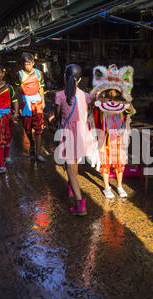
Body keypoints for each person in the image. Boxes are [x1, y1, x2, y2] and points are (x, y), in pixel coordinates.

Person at [50, 64, 94, 216]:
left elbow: (58, 115)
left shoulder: (59, 96)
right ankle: (71, 188)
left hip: (67, 136)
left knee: (72, 171)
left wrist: (54, 119)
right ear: (80, 79)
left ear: (64, 76)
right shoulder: (85, 96)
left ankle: (80, 205)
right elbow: (87, 111)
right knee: (73, 165)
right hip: (81, 135)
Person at [90, 64, 136, 199]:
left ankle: (120, 186)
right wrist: (98, 101)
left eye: (115, 90)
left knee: (119, 163)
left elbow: (130, 112)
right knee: (105, 162)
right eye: (110, 89)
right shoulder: (100, 103)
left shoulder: (124, 104)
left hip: (118, 138)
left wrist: (127, 104)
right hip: (104, 138)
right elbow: (94, 111)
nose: (112, 92)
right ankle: (106, 187)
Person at [15, 52, 46, 161]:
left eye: (29, 64)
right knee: (27, 128)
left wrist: (43, 101)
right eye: (25, 64)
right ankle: (32, 143)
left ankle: (37, 153)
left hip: (37, 102)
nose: (27, 66)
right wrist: (18, 105)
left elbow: (41, 88)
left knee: (38, 129)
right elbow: (18, 91)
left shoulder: (39, 73)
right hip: (25, 103)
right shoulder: (19, 74)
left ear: (33, 63)